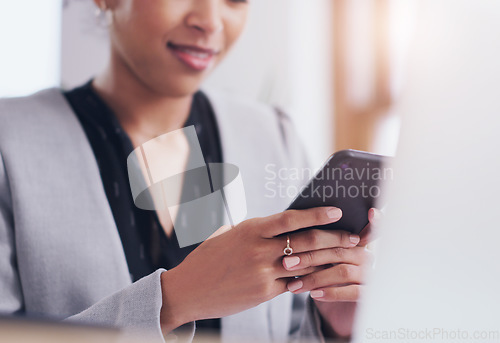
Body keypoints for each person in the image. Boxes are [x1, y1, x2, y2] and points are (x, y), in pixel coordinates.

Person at [0, 0, 376, 342]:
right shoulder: (11, 142)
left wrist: (330, 327)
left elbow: (291, 330)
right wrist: (173, 302)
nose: (210, 22)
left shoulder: (273, 136)